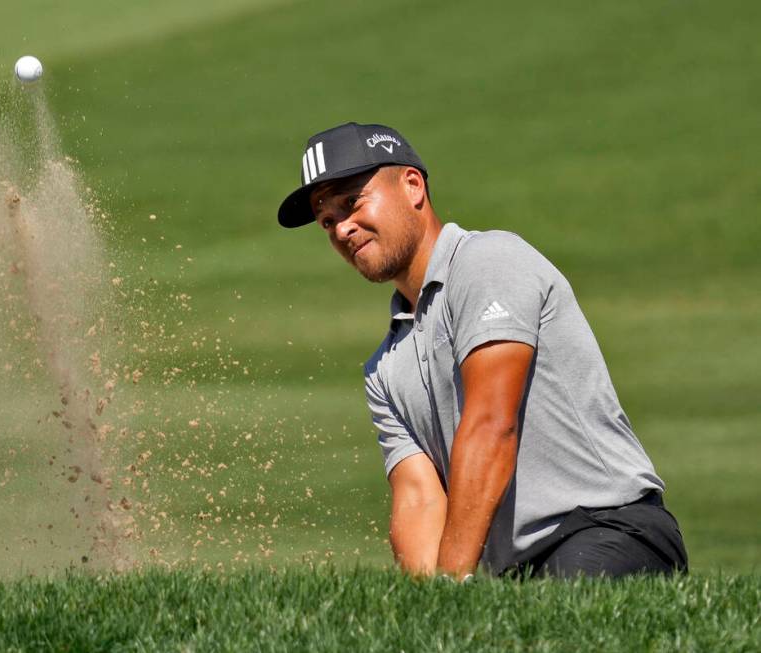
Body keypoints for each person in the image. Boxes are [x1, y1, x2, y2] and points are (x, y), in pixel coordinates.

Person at [277, 122, 688, 579]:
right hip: (515, 571)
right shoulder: (383, 368)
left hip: (606, 529)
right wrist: (434, 609)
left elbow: (492, 425)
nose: (342, 228)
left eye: (351, 202)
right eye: (327, 220)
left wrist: (453, 584)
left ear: (412, 186)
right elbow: (418, 498)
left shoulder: (487, 261)